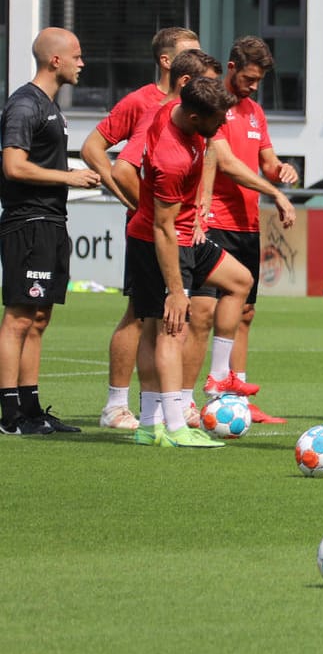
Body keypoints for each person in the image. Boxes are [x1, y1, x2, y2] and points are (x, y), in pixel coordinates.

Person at [77, 25, 197, 430]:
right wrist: (131, 197)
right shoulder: (143, 102)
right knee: (138, 314)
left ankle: (169, 406)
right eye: (190, 53)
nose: (200, 61)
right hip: (150, 228)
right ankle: (116, 404)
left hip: (180, 228)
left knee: (173, 315)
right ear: (168, 61)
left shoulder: (193, 106)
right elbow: (93, 148)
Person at [125, 76, 252, 447]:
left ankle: (209, 380)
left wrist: (201, 206)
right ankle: (171, 426)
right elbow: (163, 229)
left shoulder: (174, 110)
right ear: (195, 118)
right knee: (170, 328)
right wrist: (177, 291)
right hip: (161, 241)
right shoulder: (171, 157)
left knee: (240, 280)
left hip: (185, 234)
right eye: (218, 118)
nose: (225, 124)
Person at [0, 28, 102, 435]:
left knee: (39, 318)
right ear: (54, 60)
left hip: (51, 221)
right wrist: (69, 177)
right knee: (19, 317)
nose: (82, 62)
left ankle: (32, 408)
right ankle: (10, 415)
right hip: (28, 222)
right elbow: (12, 166)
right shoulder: (25, 105)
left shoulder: (50, 108)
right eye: (77, 55)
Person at [197, 36, 301, 424]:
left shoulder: (255, 112)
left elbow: (265, 160)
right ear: (231, 68)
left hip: (248, 224)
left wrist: (281, 170)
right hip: (216, 221)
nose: (254, 86)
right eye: (249, 78)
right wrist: (274, 190)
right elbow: (226, 163)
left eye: (259, 80)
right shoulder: (211, 108)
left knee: (246, 312)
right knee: (203, 313)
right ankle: (202, 396)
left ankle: (235, 396)